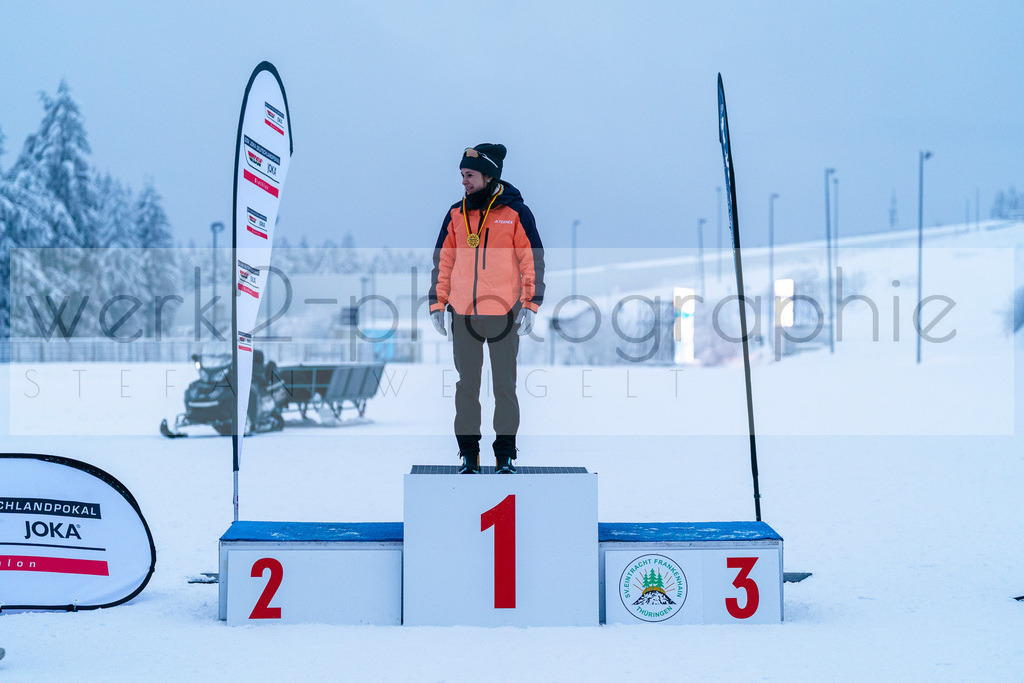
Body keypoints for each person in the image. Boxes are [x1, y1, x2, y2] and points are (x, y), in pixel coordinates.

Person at [428, 143, 545, 474]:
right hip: (463, 315)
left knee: (504, 387)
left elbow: (532, 260)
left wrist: (531, 304)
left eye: (470, 175)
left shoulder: (516, 214)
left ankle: (505, 454)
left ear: (490, 176)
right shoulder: (456, 214)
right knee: (467, 386)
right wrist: (438, 303)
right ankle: (469, 454)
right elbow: (443, 261)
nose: (464, 181)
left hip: (504, 314)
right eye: (462, 175)